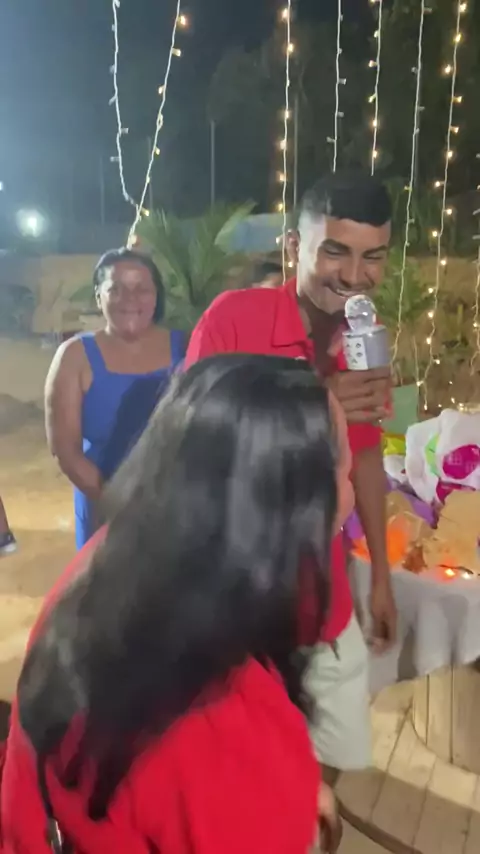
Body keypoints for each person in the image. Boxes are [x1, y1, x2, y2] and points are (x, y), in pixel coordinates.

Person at [2, 355, 342, 853]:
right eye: (340, 466)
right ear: (292, 505)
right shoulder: (229, 730)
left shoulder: (106, 565)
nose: (349, 485)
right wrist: (281, 792)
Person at [185, 170, 397, 778]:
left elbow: (365, 458)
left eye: (372, 257)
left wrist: (381, 576)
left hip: (324, 598)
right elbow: (193, 452)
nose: (354, 275)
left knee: (331, 766)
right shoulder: (233, 319)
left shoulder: (364, 340)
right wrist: (316, 401)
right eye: (335, 251)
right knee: (243, 775)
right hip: (236, 603)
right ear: (294, 247)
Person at [45, 248, 185, 550]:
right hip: (103, 505)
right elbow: (65, 449)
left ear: (156, 297)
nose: (129, 299)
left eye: (141, 289)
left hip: (176, 506)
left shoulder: (187, 347)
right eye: (115, 289)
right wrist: (116, 501)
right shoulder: (75, 356)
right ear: (99, 297)